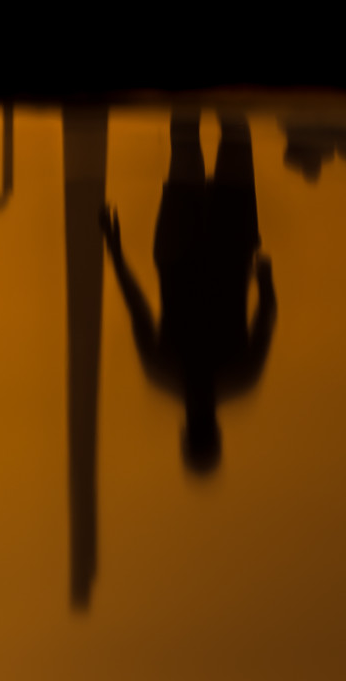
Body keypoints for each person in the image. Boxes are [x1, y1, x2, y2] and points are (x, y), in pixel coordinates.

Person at [99, 109, 276, 474]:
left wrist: (264, 274)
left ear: (214, 430)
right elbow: (137, 308)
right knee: (190, 143)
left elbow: (267, 315)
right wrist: (114, 252)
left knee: (232, 136)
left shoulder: (239, 377)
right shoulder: (164, 373)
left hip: (228, 249)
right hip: (181, 252)